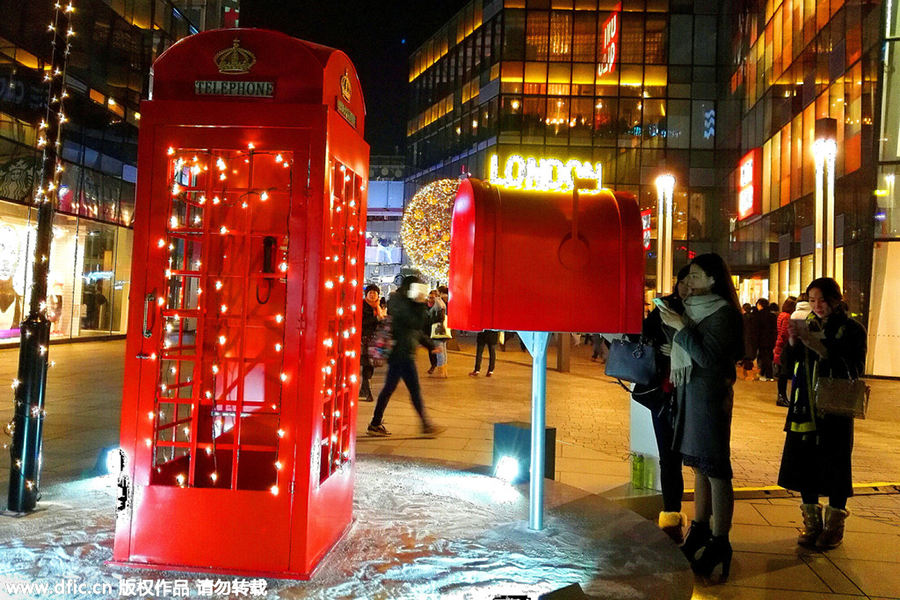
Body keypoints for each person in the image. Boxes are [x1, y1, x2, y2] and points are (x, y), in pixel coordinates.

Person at [658, 253, 743, 579]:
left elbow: (707, 357)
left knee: (716, 469)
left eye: (694, 276)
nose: (688, 282)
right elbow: (687, 348)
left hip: (709, 400)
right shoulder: (693, 308)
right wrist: (673, 328)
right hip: (690, 396)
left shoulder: (724, 313)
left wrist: (680, 328)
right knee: (699, 466)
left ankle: (720, 541)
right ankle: (700, 528)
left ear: (712, 279)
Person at [777, 278, 866, 550]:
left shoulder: (852, 328)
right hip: (804, 406)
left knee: (836, 464)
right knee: (804, 463)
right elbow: (788, 365)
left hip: (835, 409)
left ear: (836, 300)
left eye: (823, 300)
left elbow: (856, 369)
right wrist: (793, 342)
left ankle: (834, 526)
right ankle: (812, 523)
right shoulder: (806, 324)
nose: (817, 305)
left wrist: (823, 350)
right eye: (812, 300)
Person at [639, 265, 692, 544]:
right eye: (684, 281)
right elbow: (645, 338)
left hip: (692, 394)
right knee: (668, 456)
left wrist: (680, 350)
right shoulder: (663, 308)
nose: (687, 287)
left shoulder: (704, 310)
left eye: (692, 281)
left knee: (697, 460)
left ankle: (704, 522)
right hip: (664, 391)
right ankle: (672, 516)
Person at [367, 275, 446, 437]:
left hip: (403, 352)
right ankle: (425, 425)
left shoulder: (409, 303)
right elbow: (413, 323)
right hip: (400, 353)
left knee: (389, 389)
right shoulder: (398, 301)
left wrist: (430, 345)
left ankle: (375, 423)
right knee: (413, 390)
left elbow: (415, 331)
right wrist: (420, 304)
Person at [359, 284, 385, 402]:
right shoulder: (362, 306)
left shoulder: (379, 306)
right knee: (367, 364)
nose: (373, 295)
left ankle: (363, 390)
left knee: (371, 364)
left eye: (375, 293)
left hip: (375, 340)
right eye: (370, 292)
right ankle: (368, 391)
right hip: (364, 339)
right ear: (366, 294)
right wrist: (376, 319)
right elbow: (361, 321)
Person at [773, 296, 798, 406]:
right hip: (783, 347)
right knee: (783, 373)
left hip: (779, 345)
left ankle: (782, 396)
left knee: (781, 373)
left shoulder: (781, 315)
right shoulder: (787, 316)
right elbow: (784, 333)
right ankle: (781, 397)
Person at [754, 298, 778, 381]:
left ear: (760, 305)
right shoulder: (772, 315)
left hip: (762, 339)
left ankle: (768, 374)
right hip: (771, 339)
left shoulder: (758, 315)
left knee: (765, 357)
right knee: (767, 356)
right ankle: (763, 373)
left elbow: (756, 329)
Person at [428, 289, 449, 378]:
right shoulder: (442, 305)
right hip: (443, 332)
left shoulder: (438, 306)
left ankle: (441, 372)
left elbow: (440, 318)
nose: (431, 299)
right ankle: (444, 371)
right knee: (443, 351)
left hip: (438, 332)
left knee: (440, 352)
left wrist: (431, 320)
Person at [741, 303, 758, 381]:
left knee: (746, 357)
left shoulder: (742, 318)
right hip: (752, 339)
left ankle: (748, 375)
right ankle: (748, 374)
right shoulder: (754, 318)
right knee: (749, 356)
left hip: (745, 338)